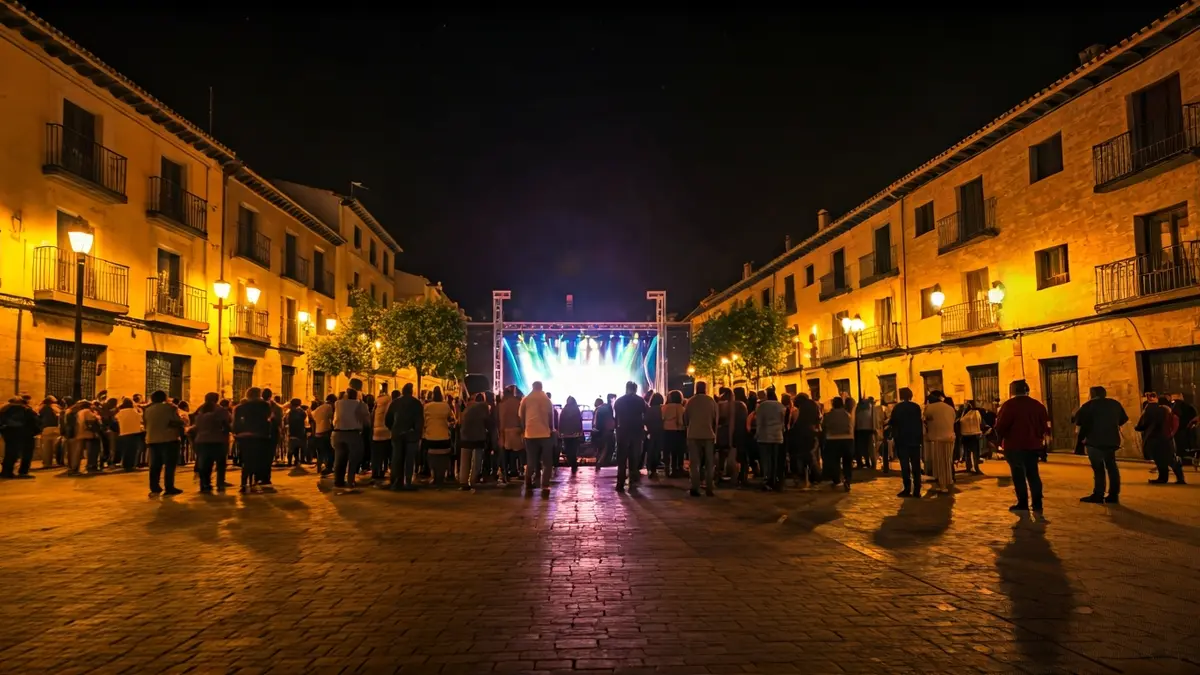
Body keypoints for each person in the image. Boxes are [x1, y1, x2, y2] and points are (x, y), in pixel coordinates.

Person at [994, 379, 1050, 512]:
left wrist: (998, 442)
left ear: (1012, 390)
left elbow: (1001, 426)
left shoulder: (1009, 406)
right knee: (1033, 474)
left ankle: (1023, 503)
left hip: (1015, 446)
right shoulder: (1038, 405)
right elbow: (1045, 426)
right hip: (1034, 445)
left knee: (1018, 475)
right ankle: (1037, 503)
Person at [1074, 385, 1128, 504]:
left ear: (1092, 394)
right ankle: (1113, 495)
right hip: (1112, 440)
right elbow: (1124, 419)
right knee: (1112, 467)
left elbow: (1077, 419)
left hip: (1094, 441)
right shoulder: (1115, 404)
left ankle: (1098, 494)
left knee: (1098, 469)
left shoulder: (1089, 405)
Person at [1136, 392, 1186, 485]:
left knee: (1160, 459)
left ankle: (1163, 478)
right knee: (1170, 458)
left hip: (1156, 437)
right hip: (1167, 437)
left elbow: (1144, 423)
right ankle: (1179, 478)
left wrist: (1139, 428)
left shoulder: (1152, 409)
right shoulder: (1169, 410)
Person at [143, 390, 185, 495]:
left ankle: (154, 486)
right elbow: (178, 421)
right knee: (170, 465)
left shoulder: (147, 410)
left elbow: (145, 423)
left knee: (154, 465)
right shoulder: (170, 408)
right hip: (168, 439)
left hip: (152, 439)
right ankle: (169, 487)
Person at [234, 388, 274, 493]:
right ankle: (255, 482)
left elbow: (236, 423)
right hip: (259, 435)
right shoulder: (264, 406)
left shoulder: (240, 407)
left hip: (244, 436)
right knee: (258, 459)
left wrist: (238, 433)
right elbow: (268, 420)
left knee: (246, 459)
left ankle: (244, 482)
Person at [519, 381, 555, 496]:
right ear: (541, 387)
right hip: (545, 434)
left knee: (531, 461)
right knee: (547, 462)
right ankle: (545, 485)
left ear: (532, 387)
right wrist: (551, 429)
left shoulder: (525, 399)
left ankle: (528, 482)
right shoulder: (547, 400)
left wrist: (525, 429)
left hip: (530, 434)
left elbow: (521, 416)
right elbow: (551, 417)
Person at [191, 392, 232, 492]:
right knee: (221, 463)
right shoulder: (220, 410)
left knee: (205, 464)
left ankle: (205, 484)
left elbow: (194, 424)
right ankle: (220, 483)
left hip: (202, 440)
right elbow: (226, 423)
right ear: (217, 399)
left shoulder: (200, 410)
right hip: (217, 439)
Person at [887, 388, 923, 497]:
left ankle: (907, 488)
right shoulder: (916, 407)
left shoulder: (898, 408)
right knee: (916, 465)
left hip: (902, 439)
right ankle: (917, 489)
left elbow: (892, 422)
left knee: (905, 465)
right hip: (915, 439)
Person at [684, 381, 718, 497]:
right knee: (709, 462)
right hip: (708, 434)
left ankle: (695, 487)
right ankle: (709, 488)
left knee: (694, 463)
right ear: (705, 389)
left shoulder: (690, 401)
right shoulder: (711, 401)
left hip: (693, 434)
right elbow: (715, 419)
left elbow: (686, 419)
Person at [386, 383, 423, 490]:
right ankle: (408, 481)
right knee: (409, 459)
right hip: (411, 435)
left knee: (397, 458)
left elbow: (388, 419)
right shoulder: (417, 403)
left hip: (397, 433)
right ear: (412, 391)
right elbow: (419, 420)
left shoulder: (395, 402)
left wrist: (393, 428)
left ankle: (397, 481)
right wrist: (417, 432)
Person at [749, 388, 785, 491]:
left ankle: (766, 480)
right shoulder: (780, 406)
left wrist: (757, 434)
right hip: (777, 436)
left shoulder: (762, 406)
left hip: (764, 436)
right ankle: (774, 480)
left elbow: (759, 423)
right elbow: (783, 423)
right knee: (775, 459)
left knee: (765, 460)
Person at [0, 396, 42, 479]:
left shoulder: (4, 410)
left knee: (10, 453)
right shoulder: (27, 410)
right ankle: (23, 472)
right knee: (27, 454)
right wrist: (35, 432)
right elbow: (35, 422)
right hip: (26, 434)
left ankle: (6, 472)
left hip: (9, 434)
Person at [923, 391, 956, 493]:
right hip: (949, 438)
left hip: (936, 439)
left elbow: (925, 419)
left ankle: (942, 485)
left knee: (938, 463)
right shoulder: (950, 408)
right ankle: (947, 481)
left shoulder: (929, 408)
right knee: (947, 461)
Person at [458, 392, 491, 491]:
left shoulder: (468, 407)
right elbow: (487, 421)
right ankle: (473, 480)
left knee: (465, 460)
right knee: (477, 459)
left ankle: (463, 481)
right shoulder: (484, 407)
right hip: (478, 436)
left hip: (465, 435)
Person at [822, 396, 854, 491]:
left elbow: (824, 426)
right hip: (847, 439)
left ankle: (836, 480)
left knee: (834, 461)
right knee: (847, 462)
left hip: (833, 439)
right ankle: (847, 480)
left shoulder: (828, 415)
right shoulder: (847, 414)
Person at [498, 387, 522, 482]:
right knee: (515, 452)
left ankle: (506, 472)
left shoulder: (502, 404)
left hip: (506, 430)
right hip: (516, 429)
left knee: (506, 452)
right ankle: (514, 470)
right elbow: (521, 417)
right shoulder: (518, 403)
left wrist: (501, 433)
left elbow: (501, 419)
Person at [371, 391, 394, 483]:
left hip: (376, 432)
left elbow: (371, 418)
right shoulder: (389, 404)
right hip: (386, 432)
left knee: (376, 454)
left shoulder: (376, 406)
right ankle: (384, 470)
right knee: (386, 453)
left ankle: (376, 472)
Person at [959, 401, 986, 474]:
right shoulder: (977, 413)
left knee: (967, 452)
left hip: (965, 435)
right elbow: (981, 423)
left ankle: (969, 467)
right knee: (975, 453)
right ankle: (977, 468)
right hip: (974, 435)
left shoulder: (963, 414)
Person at [311, 394, 336, 475]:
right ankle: (329, 467)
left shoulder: (319, 408)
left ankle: (320, 467)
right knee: (331, 451)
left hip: (317, 433)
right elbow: (333, 420)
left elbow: (312, 417)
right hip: (325, 433)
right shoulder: (329, 407)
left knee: (320, 452)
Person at [558, 396, 584, 473]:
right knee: (574, 450)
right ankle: (574, 464)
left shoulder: (564, 410)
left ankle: (572, 463)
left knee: (568, 449)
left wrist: (560, 432)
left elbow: (561, 421)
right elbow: (579, 421)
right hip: (575, 434)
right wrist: (580, 431)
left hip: (566, 434)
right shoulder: (576, 409)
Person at [592, 394, 615, 469]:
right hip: (606, 431)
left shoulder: (599, 410)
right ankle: (600, 462)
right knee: (605, 448)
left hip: (600, 432)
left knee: (601, 448)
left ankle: (599, 461)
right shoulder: (606, 408)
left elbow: (596, 423)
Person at [285, 399, 308, 467]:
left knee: (291, 448)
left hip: (292, 432)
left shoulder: (289, 412)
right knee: (298, 447)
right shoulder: (302, 412)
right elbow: (305, 420)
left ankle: (289, 462)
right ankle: (297, 460)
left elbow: (287, 421)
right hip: (300, 432)